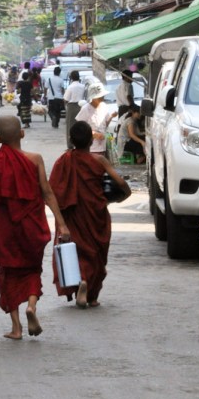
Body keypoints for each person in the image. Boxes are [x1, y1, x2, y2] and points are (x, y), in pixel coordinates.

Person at [0, 116, 70, 340]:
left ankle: (16, 327)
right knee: (32, 269)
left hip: (5, 230)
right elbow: (47, 193)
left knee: (8, 273)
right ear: (22, 133)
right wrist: (61, 223)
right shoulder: (35, 159)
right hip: (32, 226)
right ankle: (31, 306)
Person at [49, 121, 131, 308]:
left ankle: (81, 282)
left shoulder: (63, 161)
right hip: (96, 212)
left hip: (73, 214)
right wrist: (124, 195)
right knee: (96, 253)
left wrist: (61, 222)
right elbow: (119, 181)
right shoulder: (98, 160)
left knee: (76, 251)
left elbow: (52, 191)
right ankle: (92, 296)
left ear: (71, 139)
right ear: (91, 141)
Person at [76, 81, 117, 154]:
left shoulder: (104, 106)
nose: (102, 98)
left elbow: (105, 124)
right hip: (91, 147)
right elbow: (80, 128)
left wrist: (111, 117)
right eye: (100, 97)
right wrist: (93, 133)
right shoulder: (85, 109)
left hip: (103, 145)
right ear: (94, 98)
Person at [63, 70, 85, 149]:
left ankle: (70, 144)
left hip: (72, 107)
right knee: (80, 126)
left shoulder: (70, 87)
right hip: (81, 106)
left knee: (70, 126)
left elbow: (66, 99)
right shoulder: (82, 86)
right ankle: (80, 143)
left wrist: (65, 106)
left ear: (71, 78)